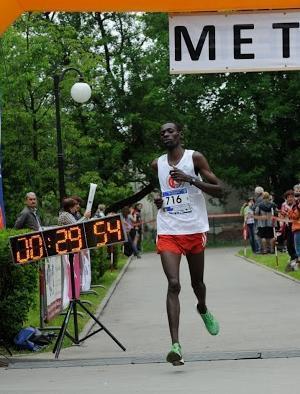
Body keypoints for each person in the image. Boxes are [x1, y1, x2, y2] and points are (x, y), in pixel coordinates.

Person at [151, 122, 223, 366]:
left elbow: (219, 190)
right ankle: (176, 346)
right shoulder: (157, 164)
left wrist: (191, 179)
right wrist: (160, 201)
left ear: (179, 134)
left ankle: (202, 308)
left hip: (194, 229)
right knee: (173, 284)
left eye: (170, 131)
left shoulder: (195, 158)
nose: (167, 135)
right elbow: (163, 191)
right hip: (169, 229)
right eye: (162, 133)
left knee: (197, 283)